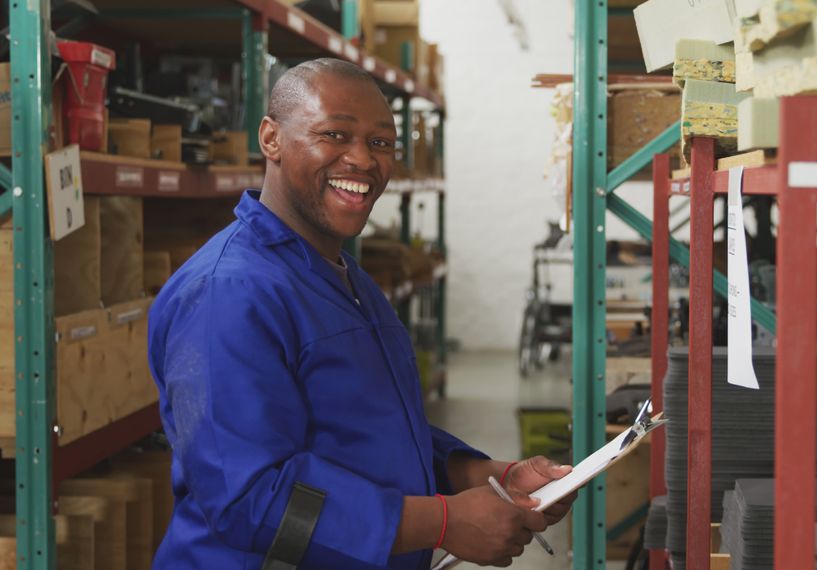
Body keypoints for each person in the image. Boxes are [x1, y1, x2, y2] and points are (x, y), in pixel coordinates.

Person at [148, 58, 576, 569]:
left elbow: (365, 431)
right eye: (334, 134)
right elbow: (251, 497)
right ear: (271, 139)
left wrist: (487, 476)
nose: (363, 160)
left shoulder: (341, 275)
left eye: (381, 143)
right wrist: (444, 522)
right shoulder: (229, 293)